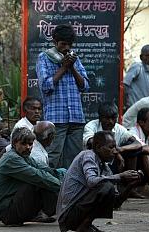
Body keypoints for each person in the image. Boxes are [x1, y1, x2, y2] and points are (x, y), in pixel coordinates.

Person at [57, 131, 142, 232]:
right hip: (68, 216)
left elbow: (115, 203)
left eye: (115, 147)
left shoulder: (105, 168)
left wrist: (130, 186)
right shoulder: (88, 155)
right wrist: (120, 176)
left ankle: (86, 226)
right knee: (106, 187)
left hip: (75, 214)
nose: (115, 151)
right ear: (98, 147)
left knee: (107, 187)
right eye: (111, 147)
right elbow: (92, 181)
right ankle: (83, 229)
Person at [36, 23, 89, 168]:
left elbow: (84, 86)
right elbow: (45, 86)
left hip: (76, 118)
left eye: (69, 45)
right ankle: (50, 190)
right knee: (52, 157)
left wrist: (72, 68)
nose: (66, 48)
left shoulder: (74, 59)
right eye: (63, 44)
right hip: (56, 119)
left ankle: (69, 189)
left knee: (74, 160)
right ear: (54, 42)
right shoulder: (44, 58)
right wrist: (64, 67)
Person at [0, 127, 60, 226]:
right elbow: (39, 176)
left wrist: (65, 175)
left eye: (30, 144)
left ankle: (39, 214)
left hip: (14, 205)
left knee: (49, 177)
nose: (28, 147)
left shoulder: (25, 157)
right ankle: (45, 213)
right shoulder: (11, 158)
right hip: (6, 212)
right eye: (23, 144)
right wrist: (62, 186)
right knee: (40, 181)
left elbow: (47, 170)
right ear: (14, 143)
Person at [123, 44, 149, 109]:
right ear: (141, 57)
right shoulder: (137, 66)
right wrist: (126, 103)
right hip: (134, 107)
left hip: (145, 108)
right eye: (147, 55)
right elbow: (125, 85)